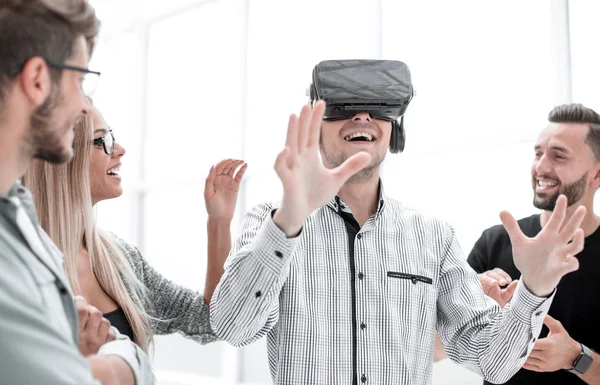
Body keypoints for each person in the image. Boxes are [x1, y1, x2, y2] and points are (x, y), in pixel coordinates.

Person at [209, 59, 586, 385]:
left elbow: (494, 361)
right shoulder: (270, 222)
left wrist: (534, 289)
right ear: (316, 127)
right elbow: (233, 328)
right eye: (343, 107)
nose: (361, 116)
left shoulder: (432, 237)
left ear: (395, 131)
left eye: (377, 108)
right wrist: (290, 219)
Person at [0, 1, 153, 384]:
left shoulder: (19, 217)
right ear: (38, 79)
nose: (84, 105)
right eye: (81, 80)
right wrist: (121, 364)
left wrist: (69, 355)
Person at [21, 103, 247, 352]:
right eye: (102, 140)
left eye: (113, 137)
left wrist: (219, 222)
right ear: (61, 157)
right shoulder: (18, 268)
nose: (119, 150)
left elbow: (210, 321)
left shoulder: (120, 258)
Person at [456, 103, 600, 384]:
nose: (541, 167)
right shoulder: (495, 241)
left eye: (559, 156)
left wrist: (577, 358)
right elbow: (434, 347)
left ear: (596, 174)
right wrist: (471, 307)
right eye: (538, 154)